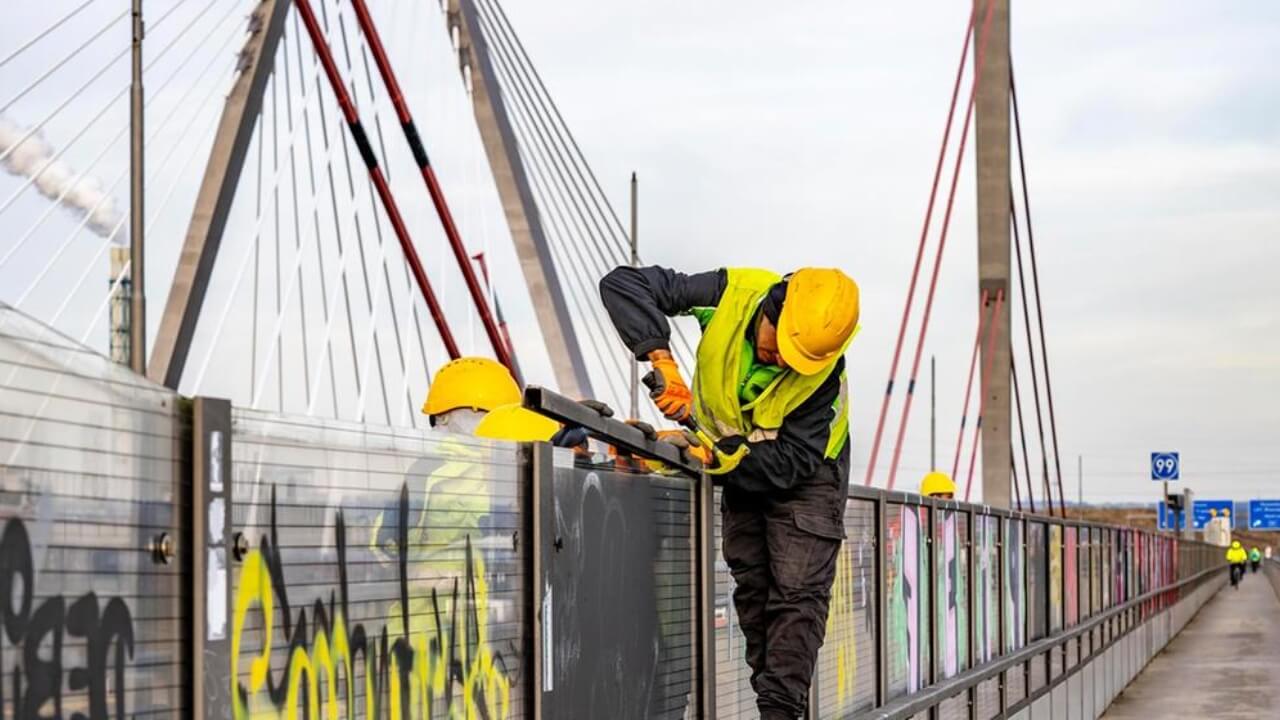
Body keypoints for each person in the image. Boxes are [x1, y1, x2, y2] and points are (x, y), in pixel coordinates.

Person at [600, 265, 859, 720]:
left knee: (796, 597)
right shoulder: (730, 294)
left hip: (807, 478)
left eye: (796, 360)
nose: (782, 363)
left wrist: (707, 457)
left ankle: (780, 711)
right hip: (737, 465)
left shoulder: (822, 372)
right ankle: (774, 703)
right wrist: (660, 359)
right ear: (771, 311)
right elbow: (622, 283)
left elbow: (790, 463)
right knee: (754, 590)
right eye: (780, 348)